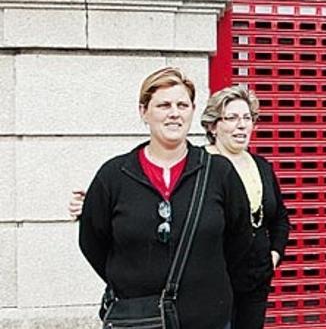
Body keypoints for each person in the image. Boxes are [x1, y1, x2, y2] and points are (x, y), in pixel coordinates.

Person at [78, 67, 253, 329]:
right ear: (143, 111)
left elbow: (239, 243)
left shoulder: (219, 172)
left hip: (207, 319)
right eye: (163, 105)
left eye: (182, 104)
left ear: (193, 110)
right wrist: (132, 279)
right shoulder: (114, 176)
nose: (174, 113)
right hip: (137, 320)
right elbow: (93, 241)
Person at [201, 86, 291, 329]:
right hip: (212, 283)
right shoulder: (201, 166)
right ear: (212, 126)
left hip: (256, 279)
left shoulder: (261, 166)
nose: (241, 126)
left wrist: (273, 255)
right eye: (231, 118)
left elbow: (280, 217)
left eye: (247, 118)